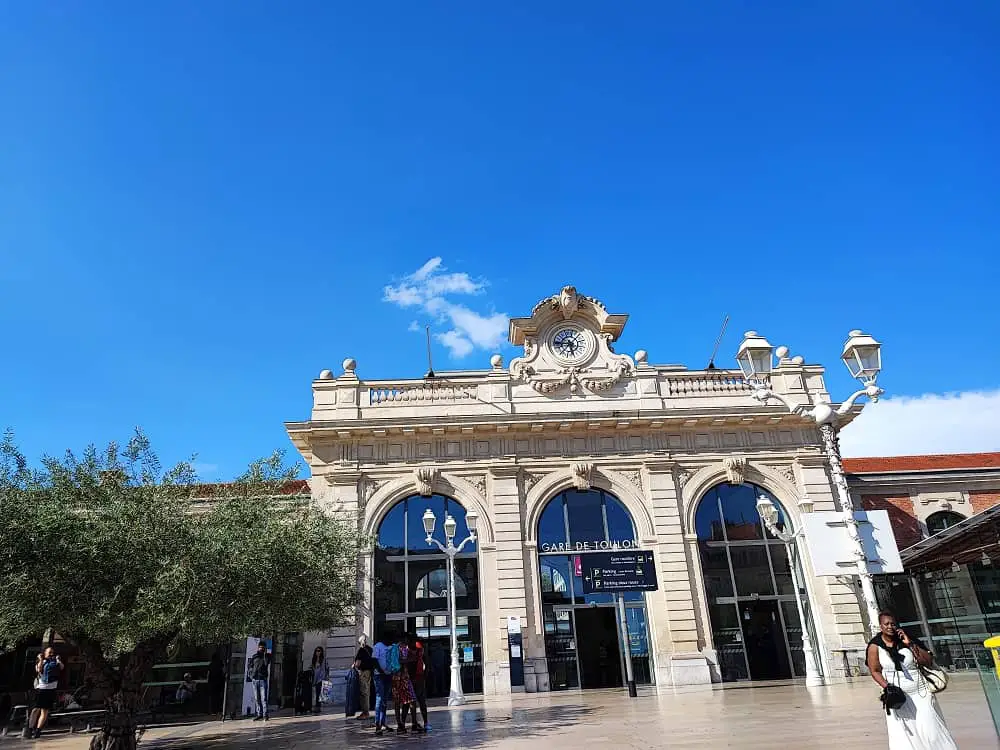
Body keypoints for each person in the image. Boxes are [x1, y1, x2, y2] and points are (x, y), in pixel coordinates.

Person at [866, 610, 958, 750]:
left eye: (893, 624)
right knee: (905, 735)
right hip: (898, 696)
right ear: (881, 626)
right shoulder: (875, 646)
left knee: (932, 730)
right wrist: (886, 687)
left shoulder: (908, 639)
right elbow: (874, 670)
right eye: (886, 624)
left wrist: (909, 644)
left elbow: (927, 661)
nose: (890, 626)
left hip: (921, 692)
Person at [28, 647, 62, 738]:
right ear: (45, 653)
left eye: (52, 652)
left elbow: (62, 667)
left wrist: (58, 660)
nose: (51, 654)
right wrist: (41, 659)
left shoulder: (55, 661)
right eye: (49, 652)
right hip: (41, 688)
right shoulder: (41, 661)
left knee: (45, 711)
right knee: (35, 709)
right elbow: (38, 670)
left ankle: (38, 731)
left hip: (51, 689)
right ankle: (30, 729)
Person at [391, 633, 421, 734]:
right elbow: (401, 660)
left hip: (395, 678)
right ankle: (413, 724)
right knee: (411, 701)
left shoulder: (394, 648)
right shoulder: (402, 648)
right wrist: (411, 659)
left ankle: (400, 724)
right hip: (403, 678)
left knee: (398, 702)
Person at [371, 632, 393, 736]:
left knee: (385, 700)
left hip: (388, 676)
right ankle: (377, 724)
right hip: (379, 676)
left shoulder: (390, 647)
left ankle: (383, 722)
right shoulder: (377, 646)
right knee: (379, 699)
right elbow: (374, 660)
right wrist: (381, 671)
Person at [407, 632, 430, 731]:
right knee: (415, 702)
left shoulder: (419, 649)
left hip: (417, 678)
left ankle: (422, 722)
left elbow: (426, 661)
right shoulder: (407, 651)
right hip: (414, 678)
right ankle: (416, 723)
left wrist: (425, 674)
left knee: (419, 701)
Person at [246, 641, 271, 722]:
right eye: (260, 647)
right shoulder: (255, 656)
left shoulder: (267, 656)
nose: (261, 648)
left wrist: (264, 654)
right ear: (258, 647)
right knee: (257, 698)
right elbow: (249, 665)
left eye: (263, 647)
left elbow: (266, 663)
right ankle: (259, 714)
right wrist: (251, 674)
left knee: (264, 698)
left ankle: (265, 715)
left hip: (263, 679)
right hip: (255, 679)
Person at [354, 635, 374, 721]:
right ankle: (366, 711)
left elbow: (358, 663)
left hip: (364, 673)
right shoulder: (370, 649)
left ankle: (365, 712)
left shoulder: (361, 650)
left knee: (364, 693)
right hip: (370, 672)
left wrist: (354, 665)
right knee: (367, 692)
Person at [310, 647, 327, 713]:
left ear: (321, 652)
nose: (318, 652)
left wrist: (322, 678)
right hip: (315, 678)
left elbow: (323, 670)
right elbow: (313, 670)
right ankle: (316, 707)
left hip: (320, 679)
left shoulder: (323, 660)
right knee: (317, 694)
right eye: (316, 651)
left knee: (319, 694)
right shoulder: (314, 660)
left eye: (319, 651)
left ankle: (318, 707)